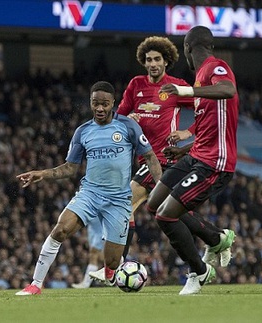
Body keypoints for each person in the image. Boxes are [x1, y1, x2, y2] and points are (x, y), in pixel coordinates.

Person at [89, 36, 235, 283]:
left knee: (126, 202)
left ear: (166, 62)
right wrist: (128, 120)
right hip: (142, 159)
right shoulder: (136, 85)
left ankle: (113, 269)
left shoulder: (175, 86)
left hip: (162, 159)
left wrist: (188, 133)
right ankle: (216, 238)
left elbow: (206, 107)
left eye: (157, 59)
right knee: (160, 210)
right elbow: (117, 117)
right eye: (148, 60)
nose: (153, 64)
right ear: (143, 62)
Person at [15, 81, 162, 295]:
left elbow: (150, 156)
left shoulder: (128, 126)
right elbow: (70, 168)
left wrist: (162, 186)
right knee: (60, 229)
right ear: (90, 103)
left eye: (104, 104)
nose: (100, 108)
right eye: (95, 104)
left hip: (119, 200)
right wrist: (43, 174)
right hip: (90, 194)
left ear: (113, 103)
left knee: (111, 261)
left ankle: (111, 272)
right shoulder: (83, 132)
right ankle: (35, 284)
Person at [145, 26, 240, 295]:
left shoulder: (216, 67)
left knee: (166, 216)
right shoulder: (200, 78)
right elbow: (210, 129)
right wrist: (185, 149)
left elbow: (228, 89)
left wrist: (185, 92)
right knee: (154, 205)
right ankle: (216, 238)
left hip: (214, 164)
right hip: (196, 155)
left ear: (188, 48)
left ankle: (199, 272)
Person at [71, 217, 104, 288]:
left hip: (101, 228)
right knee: (99, 257)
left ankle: (86, 283)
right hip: (92, 228)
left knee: (94, 255)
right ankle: (119, 264)